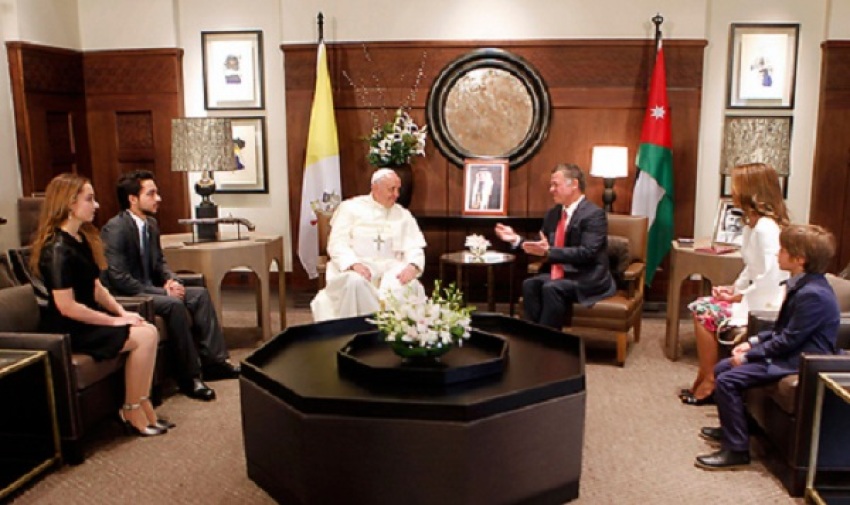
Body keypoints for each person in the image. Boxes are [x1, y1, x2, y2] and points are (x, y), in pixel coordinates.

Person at [30, 173, 169, 436]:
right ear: (70, 203)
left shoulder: (80, 238)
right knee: (145, 336)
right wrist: (114, 321)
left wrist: (122, 311)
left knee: (147, 329)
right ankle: (130, 408)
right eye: (89, 199)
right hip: (69, 326)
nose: (96, 205)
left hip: (89, 317)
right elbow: (67, 307)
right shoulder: (56, 249)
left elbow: (96, 286)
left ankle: (141, 402)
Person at [695, 224, 840, 470]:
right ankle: (739, 426)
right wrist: (752, 342)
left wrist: (751, 354)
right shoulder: (802, 285)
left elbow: (789, 341)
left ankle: (737, 449)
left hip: (800, 360)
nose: (777, 254)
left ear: (799, 259)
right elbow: (781, 330)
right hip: (791, 352)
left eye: (783, 250)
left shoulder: (813, 295)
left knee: (728, 379)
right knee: (722, 368)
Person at [101, 170, 240, 402]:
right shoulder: (115, 229)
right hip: (129, 295)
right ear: (132, 199)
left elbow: (159, 263)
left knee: (200, 295)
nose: (159, 198)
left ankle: (214, 363)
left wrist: (171, 280)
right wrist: (163, 292)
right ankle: (190, 377)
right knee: (174, 305)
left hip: (151, 289)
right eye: (151, 193)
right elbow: (119, 279)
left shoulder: (151, 224)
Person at [682, 163, 790, 405]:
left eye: (736, 186)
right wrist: (734, 288)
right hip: (754, 294)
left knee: (702, 310)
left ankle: (709, 379)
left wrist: (742, 297)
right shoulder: (752, 225)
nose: (732, 191)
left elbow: (773, 274)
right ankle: (705, 375)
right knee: (702, 306)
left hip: (768, 302)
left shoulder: (765, 228)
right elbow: (752, 267)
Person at [494, 163, 616, 329]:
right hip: (561, 274)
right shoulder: (553, 214)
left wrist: (549, 251)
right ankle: (531, 338)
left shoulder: (594, 215)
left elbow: (587, 252)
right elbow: (540, 245)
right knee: (529, 284)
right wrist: (516, 239)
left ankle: (548, 344)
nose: (551, 189)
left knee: (552, 288)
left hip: (586, 276)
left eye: (555, 185)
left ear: (573, 184)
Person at [311, 168, 427, 322]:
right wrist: (353, 264)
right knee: (354, 283)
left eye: (398, 189)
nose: (396, 195)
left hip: (391, 271)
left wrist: (412, 266)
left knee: (406, 286)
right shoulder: (350, 208)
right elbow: (337, 243)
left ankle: (394, 336)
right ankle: (356, 333)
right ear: (375, 188)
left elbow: (415, 247)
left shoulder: (403, 215)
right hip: (359, 268)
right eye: (391, 189)